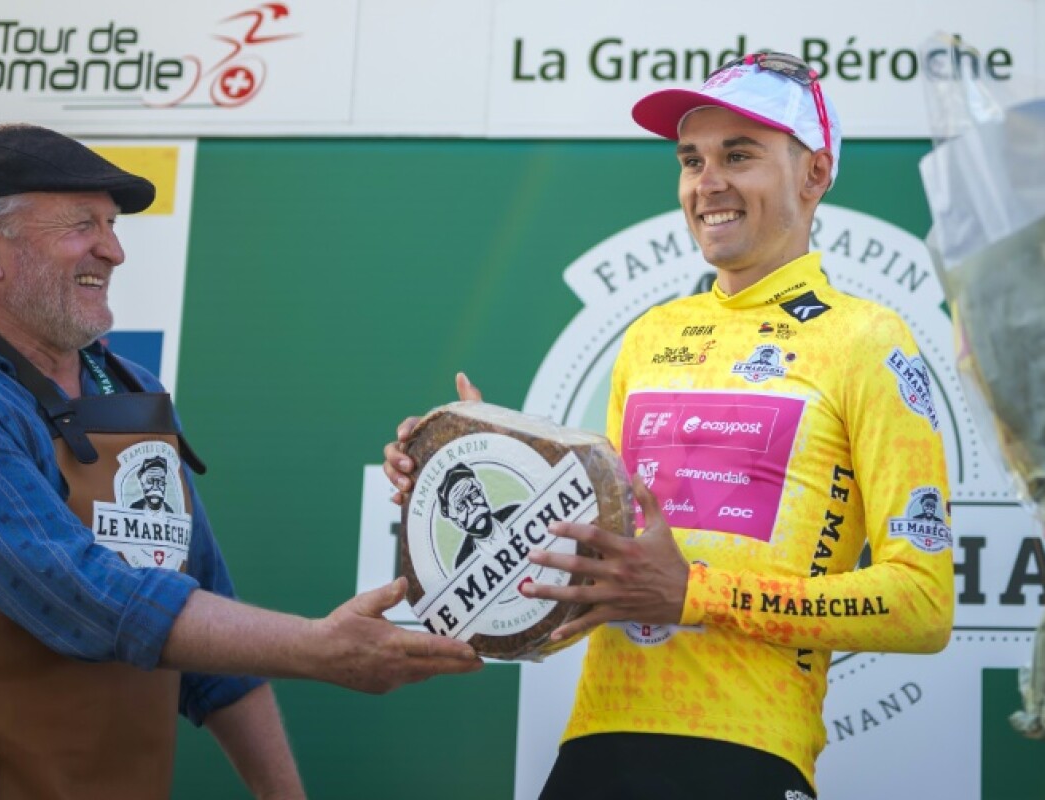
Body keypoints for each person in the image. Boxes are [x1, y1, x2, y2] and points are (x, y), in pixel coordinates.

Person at [0, 123, 481, 800]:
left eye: (113, 225)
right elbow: (87, 599)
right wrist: (319, 649)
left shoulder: (135, 394)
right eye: (82, 225)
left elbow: (208, 622)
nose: (113, 250)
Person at [384, 53, 955, 798]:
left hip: (749, 751)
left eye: (739, 155)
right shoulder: (651, 336)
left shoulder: (869, 340)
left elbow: (924, 606)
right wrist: (476, 467)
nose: (706, 183)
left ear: (815, 174)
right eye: (691, 160)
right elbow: (609, 572)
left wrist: (695, 595)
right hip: (595, 745)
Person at [437, 463, 521, 567]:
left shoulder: (518, 512)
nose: (472, 508)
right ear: (457, 522)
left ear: (482, 494)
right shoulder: (463, 564)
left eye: (473, 495)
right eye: (461, 507)